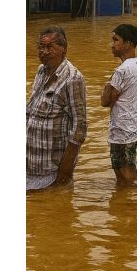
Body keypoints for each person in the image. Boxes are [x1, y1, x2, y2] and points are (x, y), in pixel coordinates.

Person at [27, 26, 88, 191]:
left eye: (50, 47)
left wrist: (64, 173)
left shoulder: (73, 79)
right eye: (41, 47)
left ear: (63, 48)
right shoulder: (41, 71)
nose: (44, 52)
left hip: (51, 173)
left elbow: (79, 128)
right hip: (31, 167)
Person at [101, 24, 137, 187]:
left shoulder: (122, 70)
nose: (112, 45)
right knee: (129, 167)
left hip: (121, 129)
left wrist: (108, 85)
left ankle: (127, 199)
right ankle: (132, 197)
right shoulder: (136, 64)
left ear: (128, 43)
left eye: (115, 40)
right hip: (132, 126)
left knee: (122, 172)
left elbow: (105, 101)